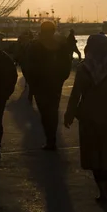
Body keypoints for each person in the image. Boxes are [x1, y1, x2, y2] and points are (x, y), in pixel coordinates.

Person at [64, 34, 107, 203]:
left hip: (88, 114)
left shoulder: (82, 69)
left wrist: (69, 113)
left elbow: (75, 94)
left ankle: (102, 189)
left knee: (92, 150)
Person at [26, 21, 72, 150]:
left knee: (45, 113)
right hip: (54, 85)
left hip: (41, 86)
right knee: (52, 111)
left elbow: (28, 67)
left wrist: (33, 84)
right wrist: (60, 80)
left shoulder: (34, 46)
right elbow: (66, 65)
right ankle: (51, 139)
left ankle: (50, 139)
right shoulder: (61, 46)